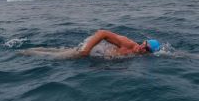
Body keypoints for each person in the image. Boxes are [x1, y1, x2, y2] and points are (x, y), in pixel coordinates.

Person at [19, 30, 161, 59]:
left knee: (57, 51)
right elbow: (102, 33)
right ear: (143, 41)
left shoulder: (136, 55)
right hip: (89, 50)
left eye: (146, 49)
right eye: (144, 43)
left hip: (94, 53)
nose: (142, 47)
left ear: (147, 53)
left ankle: (30, 50)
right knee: (57, 58)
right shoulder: (128, 43)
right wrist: (86, 50)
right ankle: (24, 52)